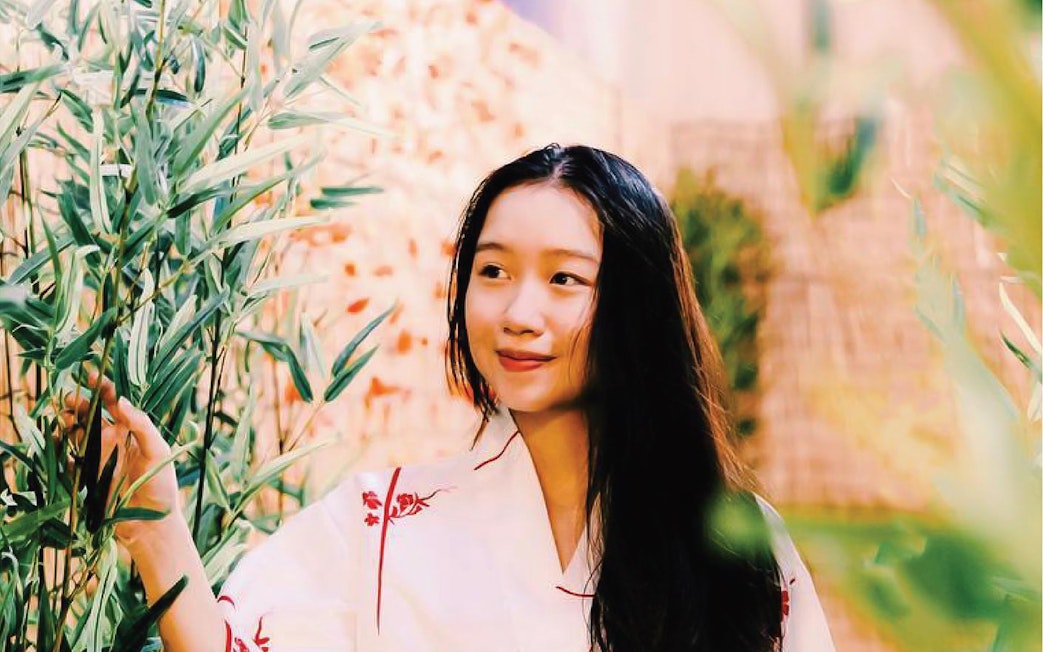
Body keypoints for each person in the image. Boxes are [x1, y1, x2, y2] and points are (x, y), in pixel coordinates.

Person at [64, 144, 836, 651]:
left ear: (637, 306)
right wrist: (157, 527)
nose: (516, 312)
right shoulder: (380, 524)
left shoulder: (733, 544)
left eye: (563, 278)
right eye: (492, 271)